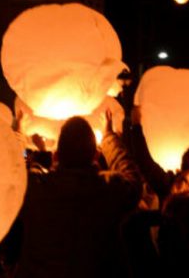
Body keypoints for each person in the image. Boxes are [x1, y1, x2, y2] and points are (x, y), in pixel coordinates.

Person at [15, 110, 141, 278]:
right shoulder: (109, 190)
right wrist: (109, 137)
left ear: (56, 156)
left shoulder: (35, 190)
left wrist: (18, 134)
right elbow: (133, 179)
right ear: (96, 155)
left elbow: (10, 171)